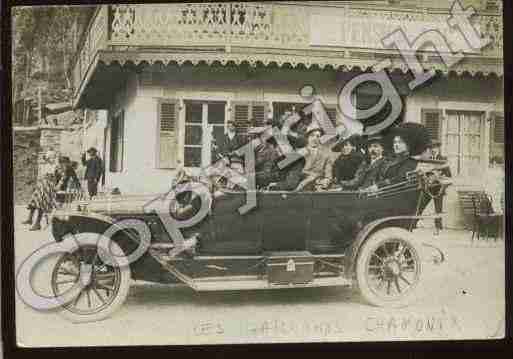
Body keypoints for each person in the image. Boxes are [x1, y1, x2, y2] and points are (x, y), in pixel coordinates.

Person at [372, 122, 430, 190]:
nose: (396, 145)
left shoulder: (410, 162)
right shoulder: (392, 159)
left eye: (400, 142)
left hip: (394, 194)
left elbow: (400, 179)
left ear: (408, 145)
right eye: (395, 142)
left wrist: (378, 186)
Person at [22, 154, 62, 230]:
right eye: (48, 158)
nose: (49, 159)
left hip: (49, 187)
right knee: (34, 200)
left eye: (51, 158)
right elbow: (41, 176)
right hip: (42, 185)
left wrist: (52, 178)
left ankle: (37, 223)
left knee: (41, 203)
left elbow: (58, 178)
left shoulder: (56, 166)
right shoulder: (44, 166)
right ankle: (30, 219)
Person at [294, 124, 334, 191]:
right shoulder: (299, 153)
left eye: (318, 136)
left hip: (318, 186)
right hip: (300, 185)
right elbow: (295, 172)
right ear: (307, 137)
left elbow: (328, 173)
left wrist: (326, 180)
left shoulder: (326, 154)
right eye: (312, 135)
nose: (315, 138)